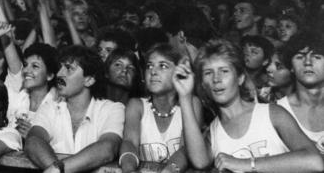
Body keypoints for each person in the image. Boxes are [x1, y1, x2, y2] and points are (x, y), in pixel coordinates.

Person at [174, 39, 322, 172]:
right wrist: (185, 96)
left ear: (240, 78)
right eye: (208, 73)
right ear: (203, 84)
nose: (216, 79)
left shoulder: (271, 114)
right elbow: (199, 162)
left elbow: (315, 161)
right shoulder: (212, 133)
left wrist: (246, 164)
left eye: (224, 71)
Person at [25, 45, 125, 173]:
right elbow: (33, 141)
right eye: (60, 68)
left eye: (68, 68)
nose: (60, 74)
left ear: (89, 80)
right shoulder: (50, 107)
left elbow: (107, 148)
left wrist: (58, 170)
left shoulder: (112, 109)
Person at [119, 43, 203, 173]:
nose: (153, 71)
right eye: (149, 66)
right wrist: (129, 168)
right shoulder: (136, 105)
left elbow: (186, 149)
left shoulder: (191, 103)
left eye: (163, 66)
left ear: (179, 72)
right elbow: (130, 142)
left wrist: (169, 170)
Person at [276, 32, 324, 153]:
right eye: (299, 57)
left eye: (317, 56)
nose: (308, 62)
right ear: (291, 66)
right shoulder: (278, 110)